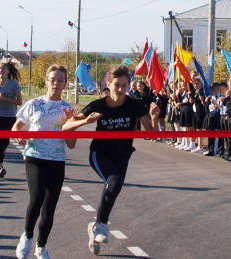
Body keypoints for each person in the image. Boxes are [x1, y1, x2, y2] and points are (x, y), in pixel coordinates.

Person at [62, 65, 159, 255]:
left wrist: (154, 118)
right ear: (109, 84)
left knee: (114, 188)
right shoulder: (98, 105)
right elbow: (67, 126)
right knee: (113, 182)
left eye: (125, 85)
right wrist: (85, 121)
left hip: (123, 154)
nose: (121, 89)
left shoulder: (134, 105)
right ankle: (100, 225)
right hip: (100, 153)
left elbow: (151, 134)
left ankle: (95, 228)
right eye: (117, 85)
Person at [13, 64, 76, 259]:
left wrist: (69, 123)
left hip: (57, 160)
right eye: (52, 80)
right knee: (37, 197)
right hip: (35, 156)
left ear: (65, 83)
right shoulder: (34, 104)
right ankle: (27, 236)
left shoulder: (67, 108)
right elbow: (16, 127)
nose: (56, 84)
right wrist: (17, 135)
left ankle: (41, 246)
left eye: (60, 80)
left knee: (50, 205)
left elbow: (72, 144)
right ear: (46, 81)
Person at [0, 61, 22, 178]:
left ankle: (1, 155)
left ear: (8, 71)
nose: (1, 71)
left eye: (3, 69)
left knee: (5, 141)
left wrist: (5, 98)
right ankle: (0, 167)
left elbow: (19, 102)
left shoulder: (14, 84)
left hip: (10, 116)